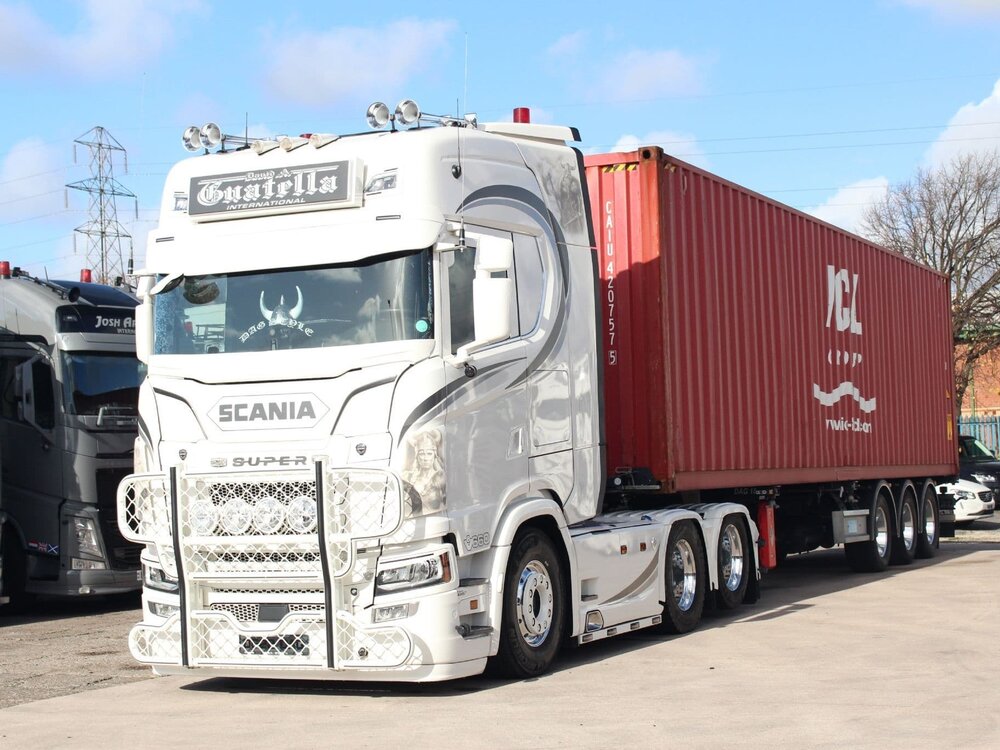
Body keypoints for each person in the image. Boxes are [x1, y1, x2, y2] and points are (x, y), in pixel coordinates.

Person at [402, 428, 445, 514]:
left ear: (434, 455)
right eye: (421, 453)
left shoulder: (442, 477)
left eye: (429, 453)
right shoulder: (408, 477)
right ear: (417, 456)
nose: (425, 458)